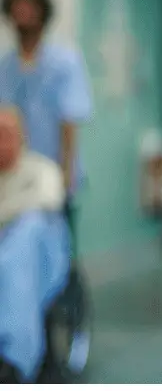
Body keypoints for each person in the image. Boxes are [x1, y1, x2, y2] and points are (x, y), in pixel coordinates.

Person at [0, 0, 94, 213]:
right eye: (16, 9)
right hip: (14, 178)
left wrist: (65, 179)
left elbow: (69, 122)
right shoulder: (6, 66)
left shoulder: (64, 62)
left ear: (42, 14)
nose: (21, 15)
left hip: (55, 171)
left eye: (28, 8)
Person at [0, 107, 72, 384]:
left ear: (22, 136)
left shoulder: (42, 169)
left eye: (7, 134)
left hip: (39, 257)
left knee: (27, 231)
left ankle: (16, 359)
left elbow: (49, 199)